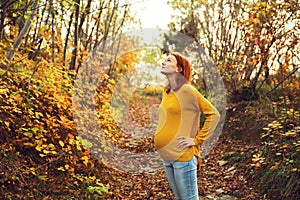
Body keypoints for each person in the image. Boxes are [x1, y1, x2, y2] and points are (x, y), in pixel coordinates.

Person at [154, 52, 220, 200]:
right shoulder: (167, 92)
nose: (163, 62)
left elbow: (213, 114)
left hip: (182, 157)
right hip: (167, 157)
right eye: (164, 59)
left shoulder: (188, 90)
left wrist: (196, 140)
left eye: (168, 60)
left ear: (179, 69)